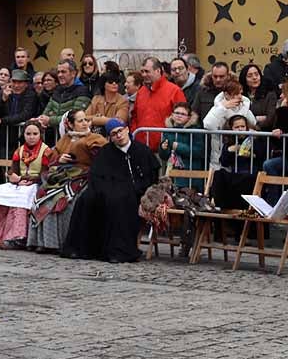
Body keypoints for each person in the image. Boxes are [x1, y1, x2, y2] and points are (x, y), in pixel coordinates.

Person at [62, 119, 159, 263]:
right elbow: (97, 176)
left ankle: (118, 251)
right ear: (110, 138)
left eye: (120, 131)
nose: (118, 136)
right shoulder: (106, 152)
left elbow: (151, 175)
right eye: (114, 134)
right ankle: (80, 248)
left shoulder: (142, 150)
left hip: (136, 192)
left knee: (118, 202)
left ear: (127, 130)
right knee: (85, 200)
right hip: (109, 189)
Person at [28, 110, 105, 254]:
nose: (84, 123)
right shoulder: (64, 139)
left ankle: (65, 242)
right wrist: (59, 160)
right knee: (43, 194)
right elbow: (51, 160)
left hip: (84, 177)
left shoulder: (96, 139)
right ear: (70, 124)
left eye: (85, 120)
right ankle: (44, 242)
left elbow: (101, 161)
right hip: (63, 176)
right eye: (80, 121)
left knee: (66, 200)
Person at [0, 121, 54, 248]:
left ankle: (17, 236)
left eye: (35, 134)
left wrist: (22, 178)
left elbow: (44, 174)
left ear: (40, 134)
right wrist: (12, 176)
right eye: (28, 134)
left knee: (21, 199)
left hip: (36, 184)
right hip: (19, 184)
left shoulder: (46, 151)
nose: (31, 137)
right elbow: (13, 169)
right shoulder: (19, 151)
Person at [130, 57, 186, 152]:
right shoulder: (141, 91)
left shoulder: (174, 91)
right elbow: (135, 117)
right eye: (142, 71)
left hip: (165, 150)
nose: (144, 75)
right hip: (141, 148)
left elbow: (183, 119)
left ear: (158, 71)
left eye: (147, 71)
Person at [203, 79, 256, 169]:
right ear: (226, 95)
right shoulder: (217, 107)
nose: (240, 97)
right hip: (219, 155)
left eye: (241, 93)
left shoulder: (244, 107)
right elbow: (208, 125)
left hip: (241, 159)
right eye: (236, 94)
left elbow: (253, 124)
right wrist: (222, 108)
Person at [159, 102, 207, 189]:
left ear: (189, 117)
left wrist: (179, 147)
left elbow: (199, 151)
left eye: (183, 114)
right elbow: (164, 156)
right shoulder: (167, 130)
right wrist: (163, 148)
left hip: (191, 175)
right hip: (172, 173)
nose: (179, 116)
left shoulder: (195, 130)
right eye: (176, 113)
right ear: (172, 115)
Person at [36, 60, 91, 132]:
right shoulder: (57, 90)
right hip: (54, 136)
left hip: (73, 137)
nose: (59, 75)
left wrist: (50, 120)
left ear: (73, 73)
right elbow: (46, 111)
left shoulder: (82, 91)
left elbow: (74, 117)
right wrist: (39, 120)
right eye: (58, 72)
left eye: (63, 72)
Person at [240, 63, 277, 129]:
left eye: (257, 74)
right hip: (243, 133)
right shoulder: (240, 95)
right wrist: (256, 118)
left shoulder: (269, 95)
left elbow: (270, 118)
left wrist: (254, 126)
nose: (254, 78)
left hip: (264, 133)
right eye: (249, 76)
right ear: (244, 79)